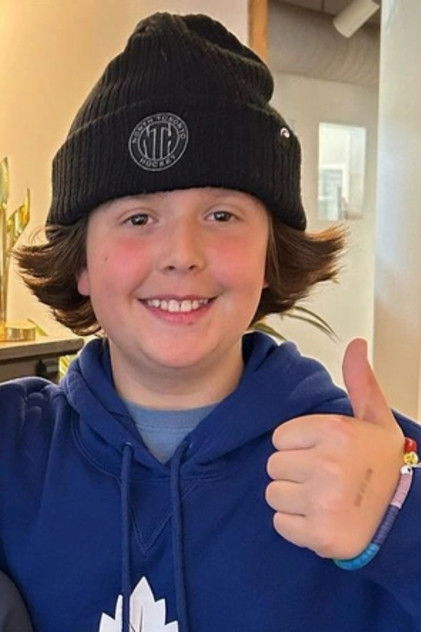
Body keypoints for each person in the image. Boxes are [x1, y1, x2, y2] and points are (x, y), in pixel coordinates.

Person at [1, 11, 420, 632]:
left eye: (222, 216)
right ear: (81, 262)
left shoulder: (378, 469)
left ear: (270, 256)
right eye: (139, 219)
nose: (182, 254)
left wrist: (402, 530)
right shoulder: (13, 448)